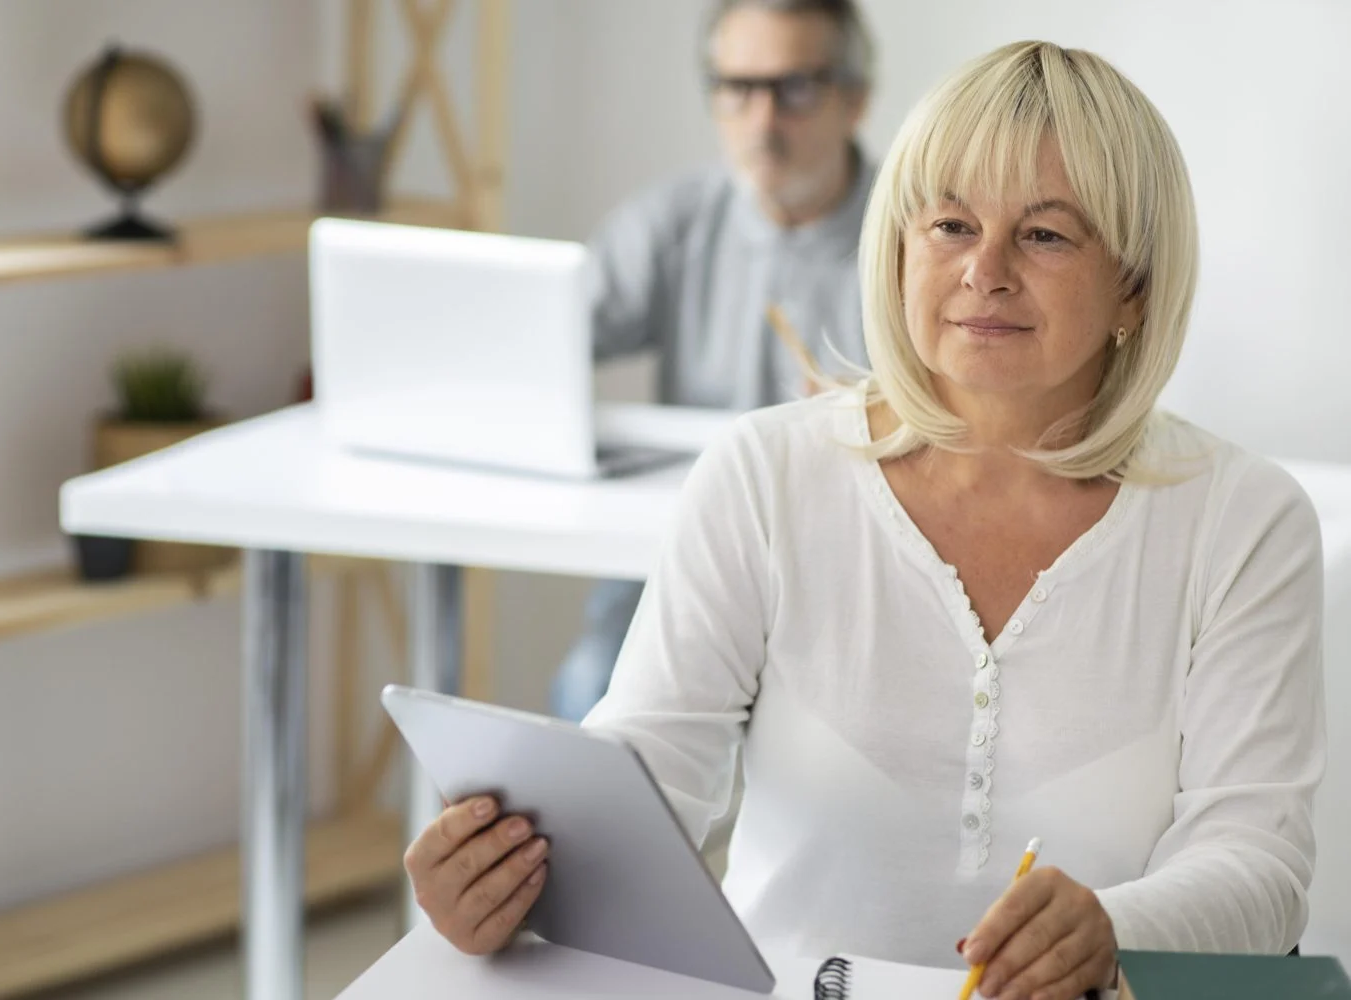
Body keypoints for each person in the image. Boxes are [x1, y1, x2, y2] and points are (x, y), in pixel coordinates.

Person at [406, 39, 1326, 999]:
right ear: (898, 250)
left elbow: (1258, 865)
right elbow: (647, 768)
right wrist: (515, 872)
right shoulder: (764, 473)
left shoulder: (1243, 521)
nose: (985, 271)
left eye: (1046, 235)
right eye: (951, 225)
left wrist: (1114, 932)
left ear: (1133, 283)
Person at [550, 0, 879, 722]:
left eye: (795, 89)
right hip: (677, 552)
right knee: (590, 685)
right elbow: (543, 341)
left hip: (843, 570)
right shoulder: (673, 223)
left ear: (854, 99)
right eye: (737, 88)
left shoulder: (917, 239)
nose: (762, 121)